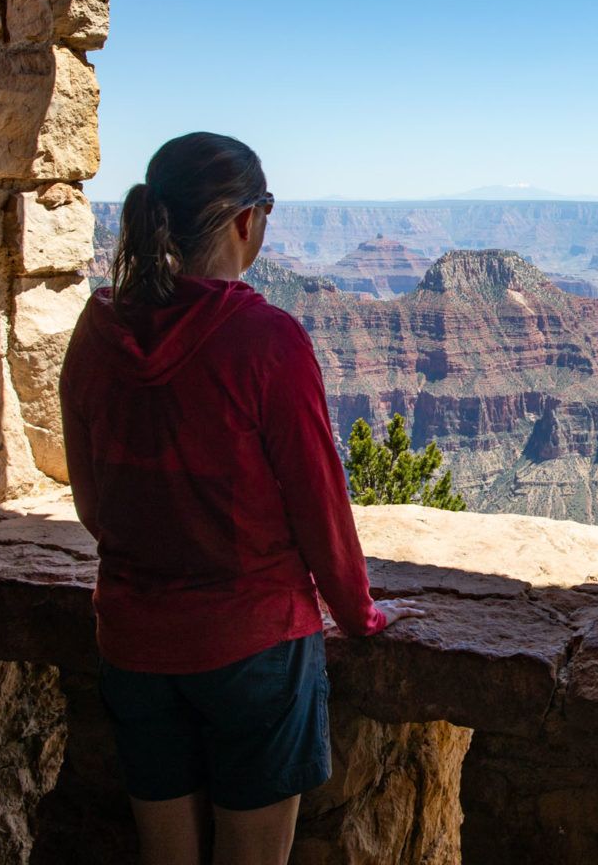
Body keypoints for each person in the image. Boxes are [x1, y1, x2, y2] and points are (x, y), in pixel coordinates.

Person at [59, 132, 422, 865]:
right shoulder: (268, 340)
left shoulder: (96, 332)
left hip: (134, 643)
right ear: (245, 221)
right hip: (254, 651)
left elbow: (93, 506)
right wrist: (360, 613)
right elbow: (321, 508)